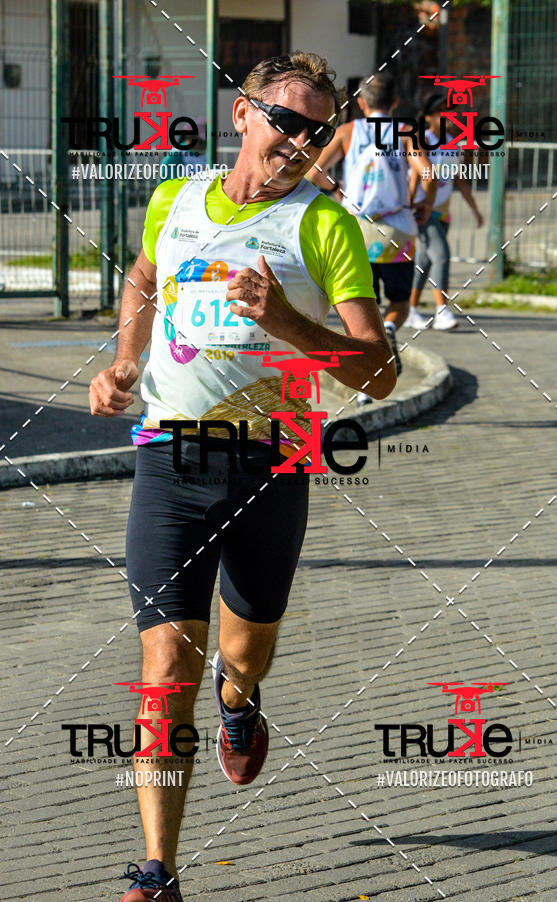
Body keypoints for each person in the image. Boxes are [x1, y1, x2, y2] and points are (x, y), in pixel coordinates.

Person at [88, 51, 396, 902]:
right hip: (169, 462)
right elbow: (146, 278)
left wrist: (290, 322)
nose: (300, 139)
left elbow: (380, 372)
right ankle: (158, 870)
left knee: (240, 655)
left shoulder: (323, 225)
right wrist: (123, 361)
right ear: (242, 115)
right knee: (163, 671)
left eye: (317, 128)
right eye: (287, 119)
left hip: (272, 465)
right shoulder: (175, 200)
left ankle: (242, 701)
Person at [308, 72, 436, 402]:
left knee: (362, 309)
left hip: (356, 229)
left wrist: (339, 191)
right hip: (398, 229)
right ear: (394, 102)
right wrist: (423, 205)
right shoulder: (408, 132)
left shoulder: (348, 132)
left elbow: (314, 173)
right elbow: (428, 174)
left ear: (361, 103)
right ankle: (392, 327)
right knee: (398, 301)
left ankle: (364, 388)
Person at [404, 93, 484, 331]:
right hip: (423, 211)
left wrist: (475, 210)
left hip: (443, 213)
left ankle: (411, 311)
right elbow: (416, 176)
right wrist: (408, 207)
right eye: (441, 112)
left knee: (425, 261)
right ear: (428, 117)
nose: (448, 116)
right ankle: (442, 311)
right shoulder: (422, 139)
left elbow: (459, 180)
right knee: (442, 255)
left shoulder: (451, 141)